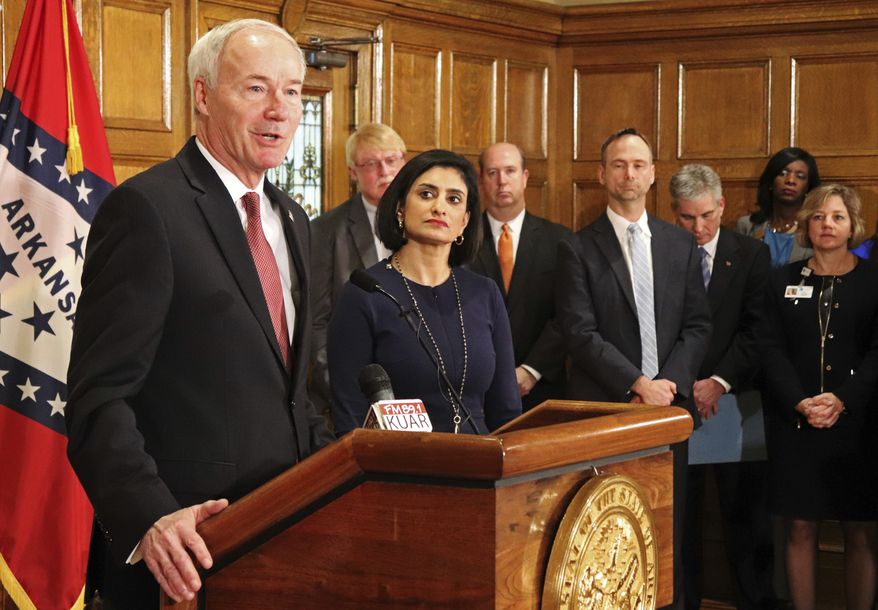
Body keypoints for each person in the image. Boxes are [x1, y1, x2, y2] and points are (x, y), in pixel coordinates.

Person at [65, 20, 334, 608]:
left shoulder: (294, 221)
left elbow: (291, 395)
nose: (279, 111)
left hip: (284, 545)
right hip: (186, 560)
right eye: (256, 89)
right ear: (204, 95)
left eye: (292, 91)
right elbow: (97, 401)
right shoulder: (146, 210)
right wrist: (153, 519)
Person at [556, 127, 711, 610]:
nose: (630, 172)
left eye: (639, 164)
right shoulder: (577, 248)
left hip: (668, 414)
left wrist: (667, 385)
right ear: (602, 175)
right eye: (619, 164)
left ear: (653, 175)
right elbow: (580, 333)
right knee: (613, 538)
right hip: (609, 410)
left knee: (669, 533)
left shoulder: (679, 244)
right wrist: (636, 383)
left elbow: (698, 325)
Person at [327, 149, 521, 436]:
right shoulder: (365, 293)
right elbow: (350, 417)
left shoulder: (484, 293)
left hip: (482, 465)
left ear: (464, 221)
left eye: (453, 199)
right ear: (400, 208)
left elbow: (506, 410)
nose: (439, 207)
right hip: (399, 469)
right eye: (427, 194)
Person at [761, 184, 878, 610]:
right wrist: (800, 400)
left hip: (859, 423)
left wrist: (842, 399)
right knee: (799, 527)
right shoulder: (781, 281)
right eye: (818, 216)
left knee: (861, 530)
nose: (827, 224)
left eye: (837, 217)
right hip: (796, 422)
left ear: (853, 226)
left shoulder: (873, 280)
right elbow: (769, 348)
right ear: (807, 225)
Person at [669, 165, 774, 610]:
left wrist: (717, 381)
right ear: (674, 213)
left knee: (744, 515)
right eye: (688, 218)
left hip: (735, 400)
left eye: (707, 216)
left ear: (722, 207)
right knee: (681, 517)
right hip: (676, 403)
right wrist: (683, 382)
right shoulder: (662, 253)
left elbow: (757, 330)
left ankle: (754, 601)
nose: (698, 228)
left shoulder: (750, 254)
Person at [310, 124, 407, 427]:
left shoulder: (427, 222)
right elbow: (317, 321)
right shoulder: (326, 230)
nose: (384, 171)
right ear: (353, 172)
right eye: (371, 164)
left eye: (391, 161)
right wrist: (345, 388)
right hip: (353, 393)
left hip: (416, 387)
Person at [469, 142, 571, 411]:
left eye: (510, 171)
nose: (502, 181)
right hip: (478, 390)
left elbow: (569, 314)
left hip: (544, 389)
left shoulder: (560, 240)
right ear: (481, 180)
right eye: (492, 173)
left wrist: (532, 370)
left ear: (525, 177)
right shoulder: (460, 241)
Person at [736, 147, 821, 267]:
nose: (790, 181)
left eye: (800, 176)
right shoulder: (747, 226)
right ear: (770, 182)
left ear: (808, 187)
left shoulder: (815, 230)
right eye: (783, 174)